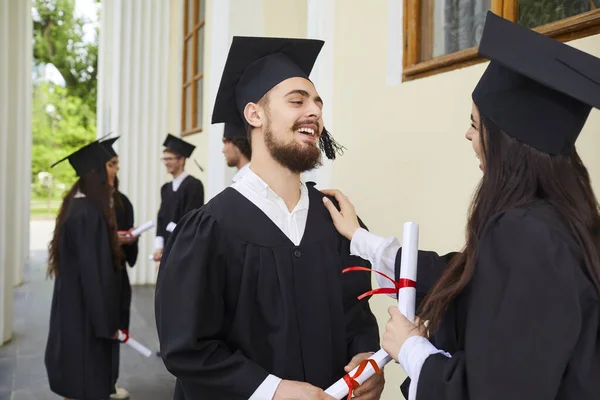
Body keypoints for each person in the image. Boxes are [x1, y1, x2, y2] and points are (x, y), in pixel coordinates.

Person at [322, 12, 600, 400]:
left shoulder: (526, 234)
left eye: (475, 123)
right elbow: (462, 281)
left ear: (507, 141)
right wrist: (361, 239)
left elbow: (499, 389)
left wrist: (410, 348)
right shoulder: (561, 222)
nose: (468, 135)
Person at [155, 37, 383, 400]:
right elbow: (188, 349)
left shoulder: (336, 222)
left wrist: (365, 356)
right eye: (298, 100)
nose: (315, 112)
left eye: (317, 103)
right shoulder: (209, 228)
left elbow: (355, 314)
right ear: (254, 114)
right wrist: (272, 391)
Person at [45, 140, 121, 400]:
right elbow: (94, 276)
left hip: (75, 308)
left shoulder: (76, 206)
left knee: (77, 380)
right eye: (109, 167)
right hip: (86, 315)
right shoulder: (87, 214)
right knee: (86, 382)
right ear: (96, 173)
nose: (114, 172)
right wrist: (106, 324)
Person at [101, 136, 139, 400]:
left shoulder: (123, 201)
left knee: (116, 326)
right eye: (110, 164)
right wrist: (109, 239)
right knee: (100, 328)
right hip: (98, 276)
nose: (116, 169)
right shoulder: (88, 204)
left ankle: (110, 382)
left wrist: (129, 239)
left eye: (116, 164)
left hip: (117, 274)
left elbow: (129, 243)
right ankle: (97, 381)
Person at [153, 134, 204, 262]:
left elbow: (191, 219)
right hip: (167, 247)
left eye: (169, 159)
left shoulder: (194, 185)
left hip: (185, 246)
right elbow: (161, 218)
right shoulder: (165, 188)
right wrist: (159, 246)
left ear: (181, 160)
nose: (166, 163)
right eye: (164, 159)